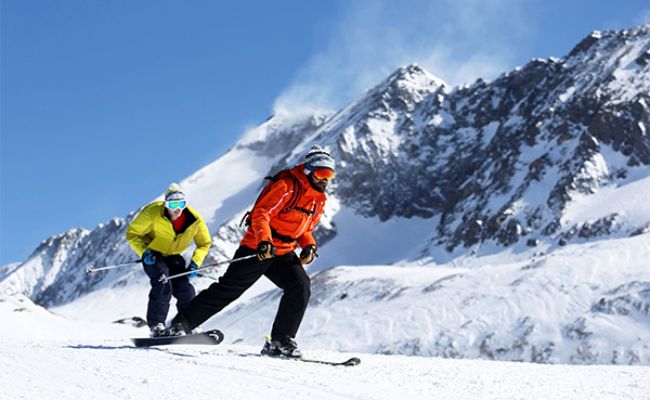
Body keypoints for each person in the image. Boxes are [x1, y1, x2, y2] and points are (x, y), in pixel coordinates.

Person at [169, 145, 335, 357]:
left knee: (300, 286)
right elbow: (261, 214)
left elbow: (306, 229)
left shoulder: (318, 200)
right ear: (308, 171)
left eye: (329, 175)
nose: (325, 179)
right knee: (229, 289)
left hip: (283, 252)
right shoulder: (286, 186)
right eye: (321, 173)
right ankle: (181, 324)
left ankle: (281, 340)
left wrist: (309, 245)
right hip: (258, 247)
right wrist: (264, 242)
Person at [126, 183, 211, 337]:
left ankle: (189, 323)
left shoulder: (195, 219)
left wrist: (195, 264)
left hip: (174, 256)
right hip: (153, 255)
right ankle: (157, 326)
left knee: (185, 289)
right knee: (163, 282)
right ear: (166, 204)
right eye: (173, 204)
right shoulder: (153, 212)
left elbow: (204, 243)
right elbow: (132, 233)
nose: (177, 208)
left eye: (181, 204)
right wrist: (144, 253)